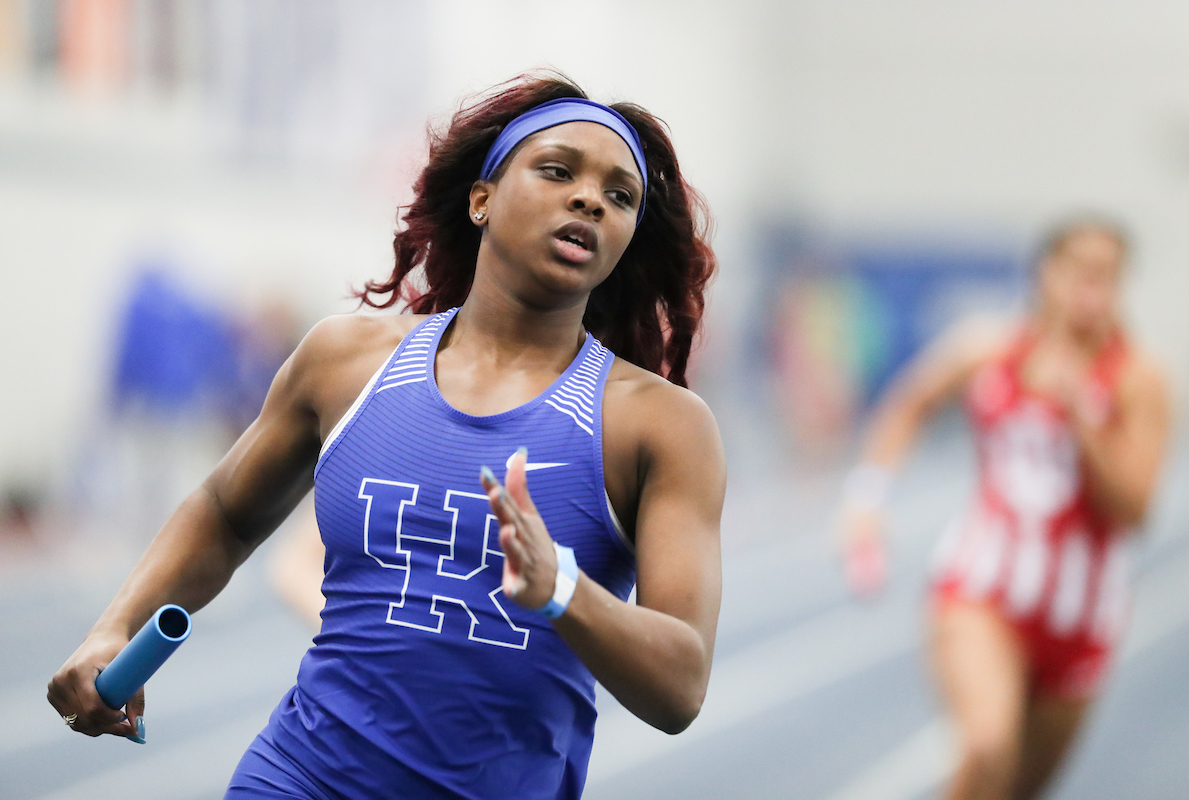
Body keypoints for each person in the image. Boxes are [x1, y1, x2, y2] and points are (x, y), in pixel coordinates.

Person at [47, 73, 725, 800]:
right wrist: (112, 630)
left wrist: (563, 589)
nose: (591, 198)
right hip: (296, 779)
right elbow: (224, 512)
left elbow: (680, 686)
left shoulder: (659, 424)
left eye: (619, 195)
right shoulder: (346, 361)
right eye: (557, 170)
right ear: (481, 199)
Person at [837, 219, 1170, 800]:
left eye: (1107, 275)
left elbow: (1135, 511)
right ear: (1047, 273)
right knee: (988, 749)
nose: (1091, 288)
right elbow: (909, 404)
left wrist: (1084, 419)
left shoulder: (1139, 379)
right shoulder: (989, 347)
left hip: (1082, 618)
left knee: (1016, 788)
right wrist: (867, 498)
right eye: (1079, 271)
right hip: (982, 591)